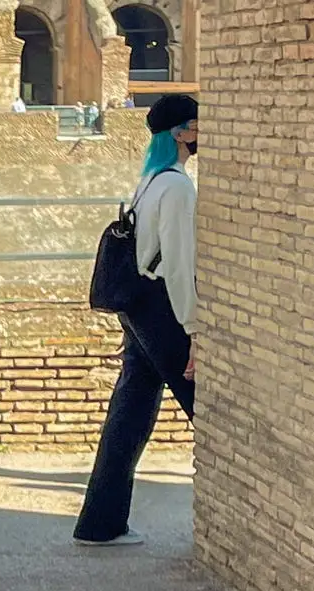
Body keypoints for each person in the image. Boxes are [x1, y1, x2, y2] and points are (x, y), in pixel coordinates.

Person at [73, 92, 199, 547]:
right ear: (182, 134)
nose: (201, 133)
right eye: (196, 125)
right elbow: (180, 265)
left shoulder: (150, 180)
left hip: (138, 306)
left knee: (130, 413)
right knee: (206, 407)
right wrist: (194, 330)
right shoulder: (179, 188)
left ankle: (100, 524)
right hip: (163, 308)